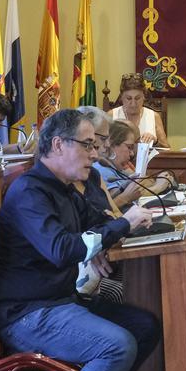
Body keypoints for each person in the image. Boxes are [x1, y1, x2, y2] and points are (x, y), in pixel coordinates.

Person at [0, 109, 160, 371]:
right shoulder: (29, 192)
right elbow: (62, 249)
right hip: (28, 314)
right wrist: (124, 223)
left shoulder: (64, 188)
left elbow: (96, 222)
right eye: (87, 145)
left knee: (144, 327)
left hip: (61, 301)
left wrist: (108, 236)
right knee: (118, 346)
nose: (95, 153)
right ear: (58, 144)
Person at [75, 106, 147, 304]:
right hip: (78, 278)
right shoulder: (47, 186)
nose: (105, 148)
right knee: (136, 294)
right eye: (101, 140)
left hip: (108, 254)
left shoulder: (94, 175)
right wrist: (93, 246)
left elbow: (114, 215)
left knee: (145, 284)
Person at [94, 120, 170, 211]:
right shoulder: (102, 169)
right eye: (129, 147)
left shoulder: (117, 168)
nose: (132, 154)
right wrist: (158, 187)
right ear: (112, 144)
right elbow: (114, 204)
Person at [110, 73, 170, 149]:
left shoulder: (154, 116)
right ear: (121, 97)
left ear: (144, 97)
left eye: (137, 98)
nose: (133, 103)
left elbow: (167, 148)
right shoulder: (112, 115)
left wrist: (155, 141)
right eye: (128, 98)